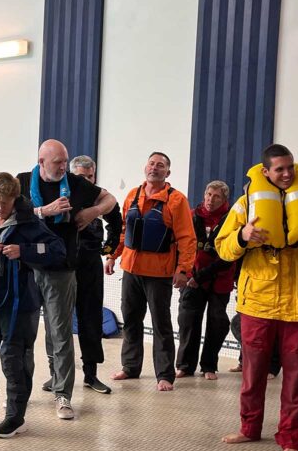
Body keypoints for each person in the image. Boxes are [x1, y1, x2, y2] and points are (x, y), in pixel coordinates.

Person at [215, 144, 298, 451]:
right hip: (257, 302)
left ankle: (293, 437)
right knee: (252, 375)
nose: (286, 174)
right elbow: (223, 248)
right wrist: (243, 236)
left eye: (290, 167)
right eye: (279, 169)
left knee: (297, 377)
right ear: (265, 171)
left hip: (297, 302)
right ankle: (249, 428)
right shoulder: (245, 205)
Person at [0, 173, 65, 437]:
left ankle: (15, 417)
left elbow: (58, 250)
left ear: (15, 199)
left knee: (13, 359)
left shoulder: (29, 221)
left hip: (20, 302)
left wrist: (24, 251)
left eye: (4, 203)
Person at [17, 140, 115, 420]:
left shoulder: (75, 184)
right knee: (23, 334)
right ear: (41, 162)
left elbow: (110, 200)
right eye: (57, 162)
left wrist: (92, 212)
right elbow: (6, 212)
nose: (62, 166)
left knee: (60, 334)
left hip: (61, 269)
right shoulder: (22, 182)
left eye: (65, 161)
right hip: (26, 268)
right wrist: (43, 211)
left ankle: (63, 394)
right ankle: (21, 392)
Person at [106, 152, 196, 391]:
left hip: (160, 273)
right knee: (131, 320)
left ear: (168, 172)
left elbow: (188, 239)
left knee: (161, 323)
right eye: (152, 163)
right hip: (131, 269)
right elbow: (124, 230)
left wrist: (184, 269)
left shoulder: (177, 200)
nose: (155, 168)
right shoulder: (132, 195)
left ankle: (165, 374)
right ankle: (130, 367)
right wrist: (112, 256)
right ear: (145, 167)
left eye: (161, 165)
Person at [65, 155, 122, 394]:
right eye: (81, 177)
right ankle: (59, 375)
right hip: (63, 265)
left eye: (90, 177)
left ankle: (91, 374)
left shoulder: (99, 196)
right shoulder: (60, 194)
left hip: (89, 263)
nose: (86, 181)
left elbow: (116, 218)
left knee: (91, 319)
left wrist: (109, 250)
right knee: (60, 322)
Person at [175, 180, 234, 381]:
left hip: (219, 279)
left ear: (224, 199)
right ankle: (185, 365)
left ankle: (209, 365)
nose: (210, 199)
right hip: (192, 278)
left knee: (217, 322)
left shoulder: (232, 219)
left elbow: (229, 255)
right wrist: (184, 273)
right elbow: (181, 245)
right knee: (188, 321)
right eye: (208, 194)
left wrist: (200, 277)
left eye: (216, 196)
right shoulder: (192, 215)